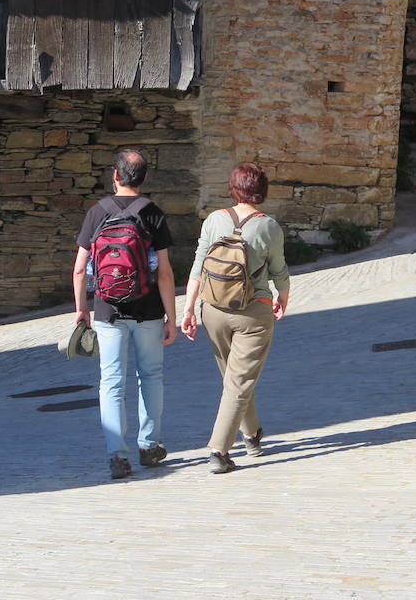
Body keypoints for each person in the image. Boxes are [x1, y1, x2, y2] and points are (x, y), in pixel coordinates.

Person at [179, 162, 291, 474]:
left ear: (233, 188)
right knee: (238, 382)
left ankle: (251, 435)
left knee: (236, 380)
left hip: (213, 311)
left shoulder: (214, 220)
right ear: (262, 191)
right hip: (253, 311)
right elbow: (279, 268)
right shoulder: (269, 226)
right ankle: (218, 450)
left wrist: (188, 309)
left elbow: (199, 266)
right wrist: (283, 296)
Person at [72, 149, 177, 480]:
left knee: (112, 382)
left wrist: (81, 311)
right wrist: (171, 318)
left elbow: (79, 270)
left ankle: (118, 457)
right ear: (144, 178)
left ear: (114, 176)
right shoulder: (153, 213)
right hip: (148, 311)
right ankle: (149, 445)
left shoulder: (96, 213)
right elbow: (164, 272)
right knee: (151, 376)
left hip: (107, 311)